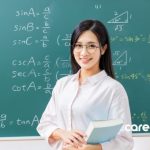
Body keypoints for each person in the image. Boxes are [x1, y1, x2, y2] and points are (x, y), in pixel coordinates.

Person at [37, 19, 134, 150]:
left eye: (91, 46)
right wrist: (63, 134)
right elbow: (44, 124)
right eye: (78, 45)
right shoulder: (62, 85)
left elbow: (125, 140)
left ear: (103, 48)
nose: (84, 53)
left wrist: (96, 148)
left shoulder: (113, 89)